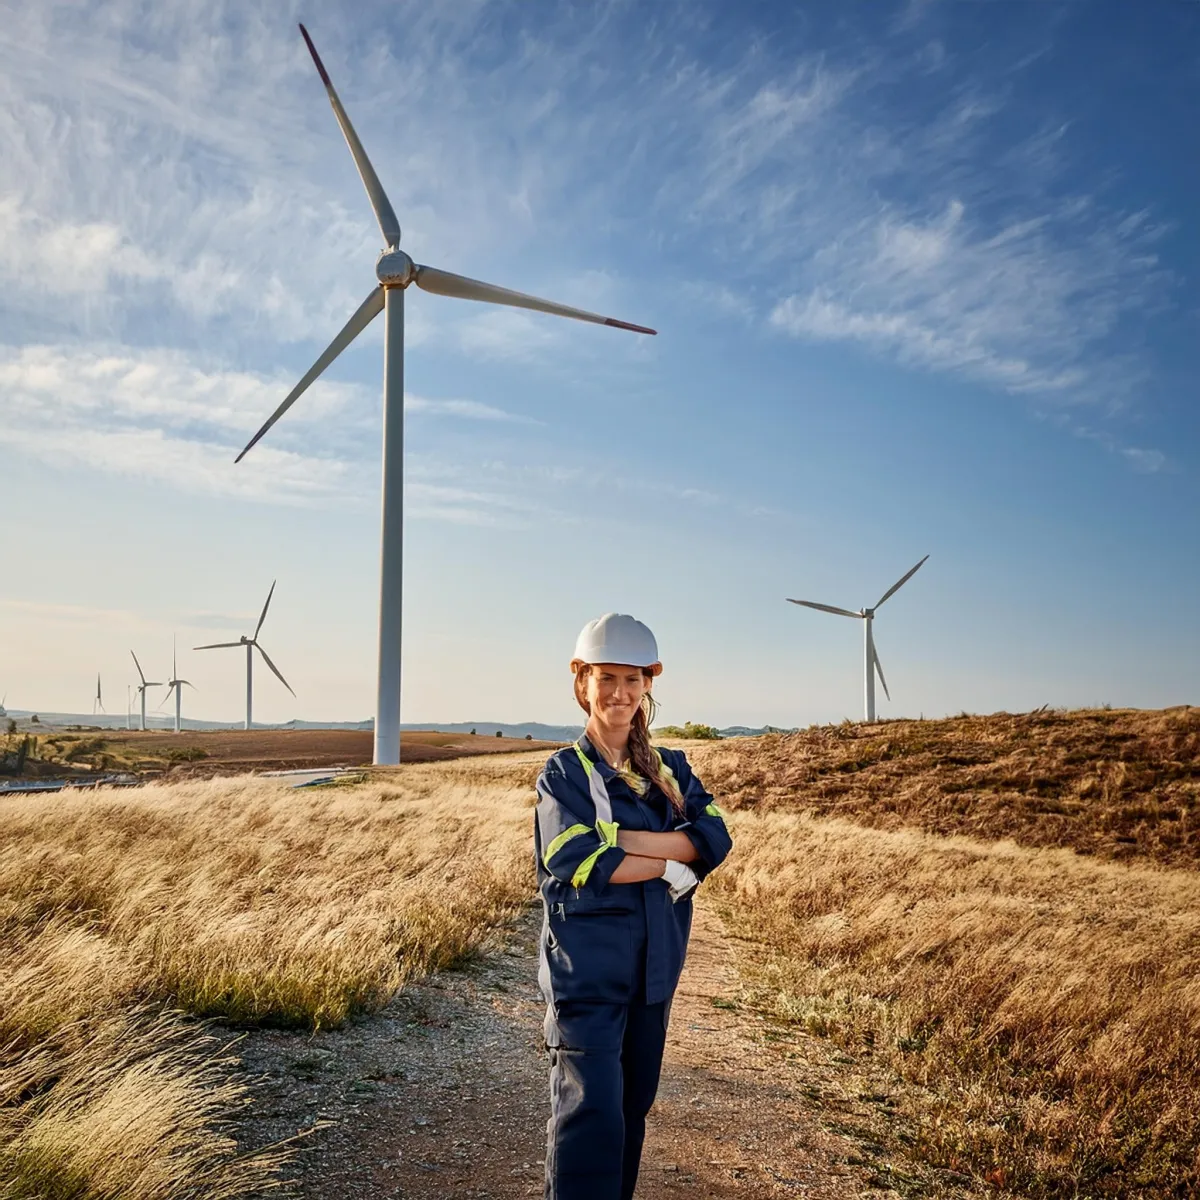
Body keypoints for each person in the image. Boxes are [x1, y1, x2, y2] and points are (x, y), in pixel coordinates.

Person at [534, 613, 733, 1200]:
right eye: (607, 678)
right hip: (586, 976)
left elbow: (715, 839)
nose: (620, 693)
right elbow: (579, 859)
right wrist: (675, 861)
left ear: (650, 682)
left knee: (629, 1110)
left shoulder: (671, 767)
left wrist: (623, 839)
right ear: (581, 679)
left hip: (653, 975)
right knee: (589, 1117)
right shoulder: (564, 773)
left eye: (633, 679)